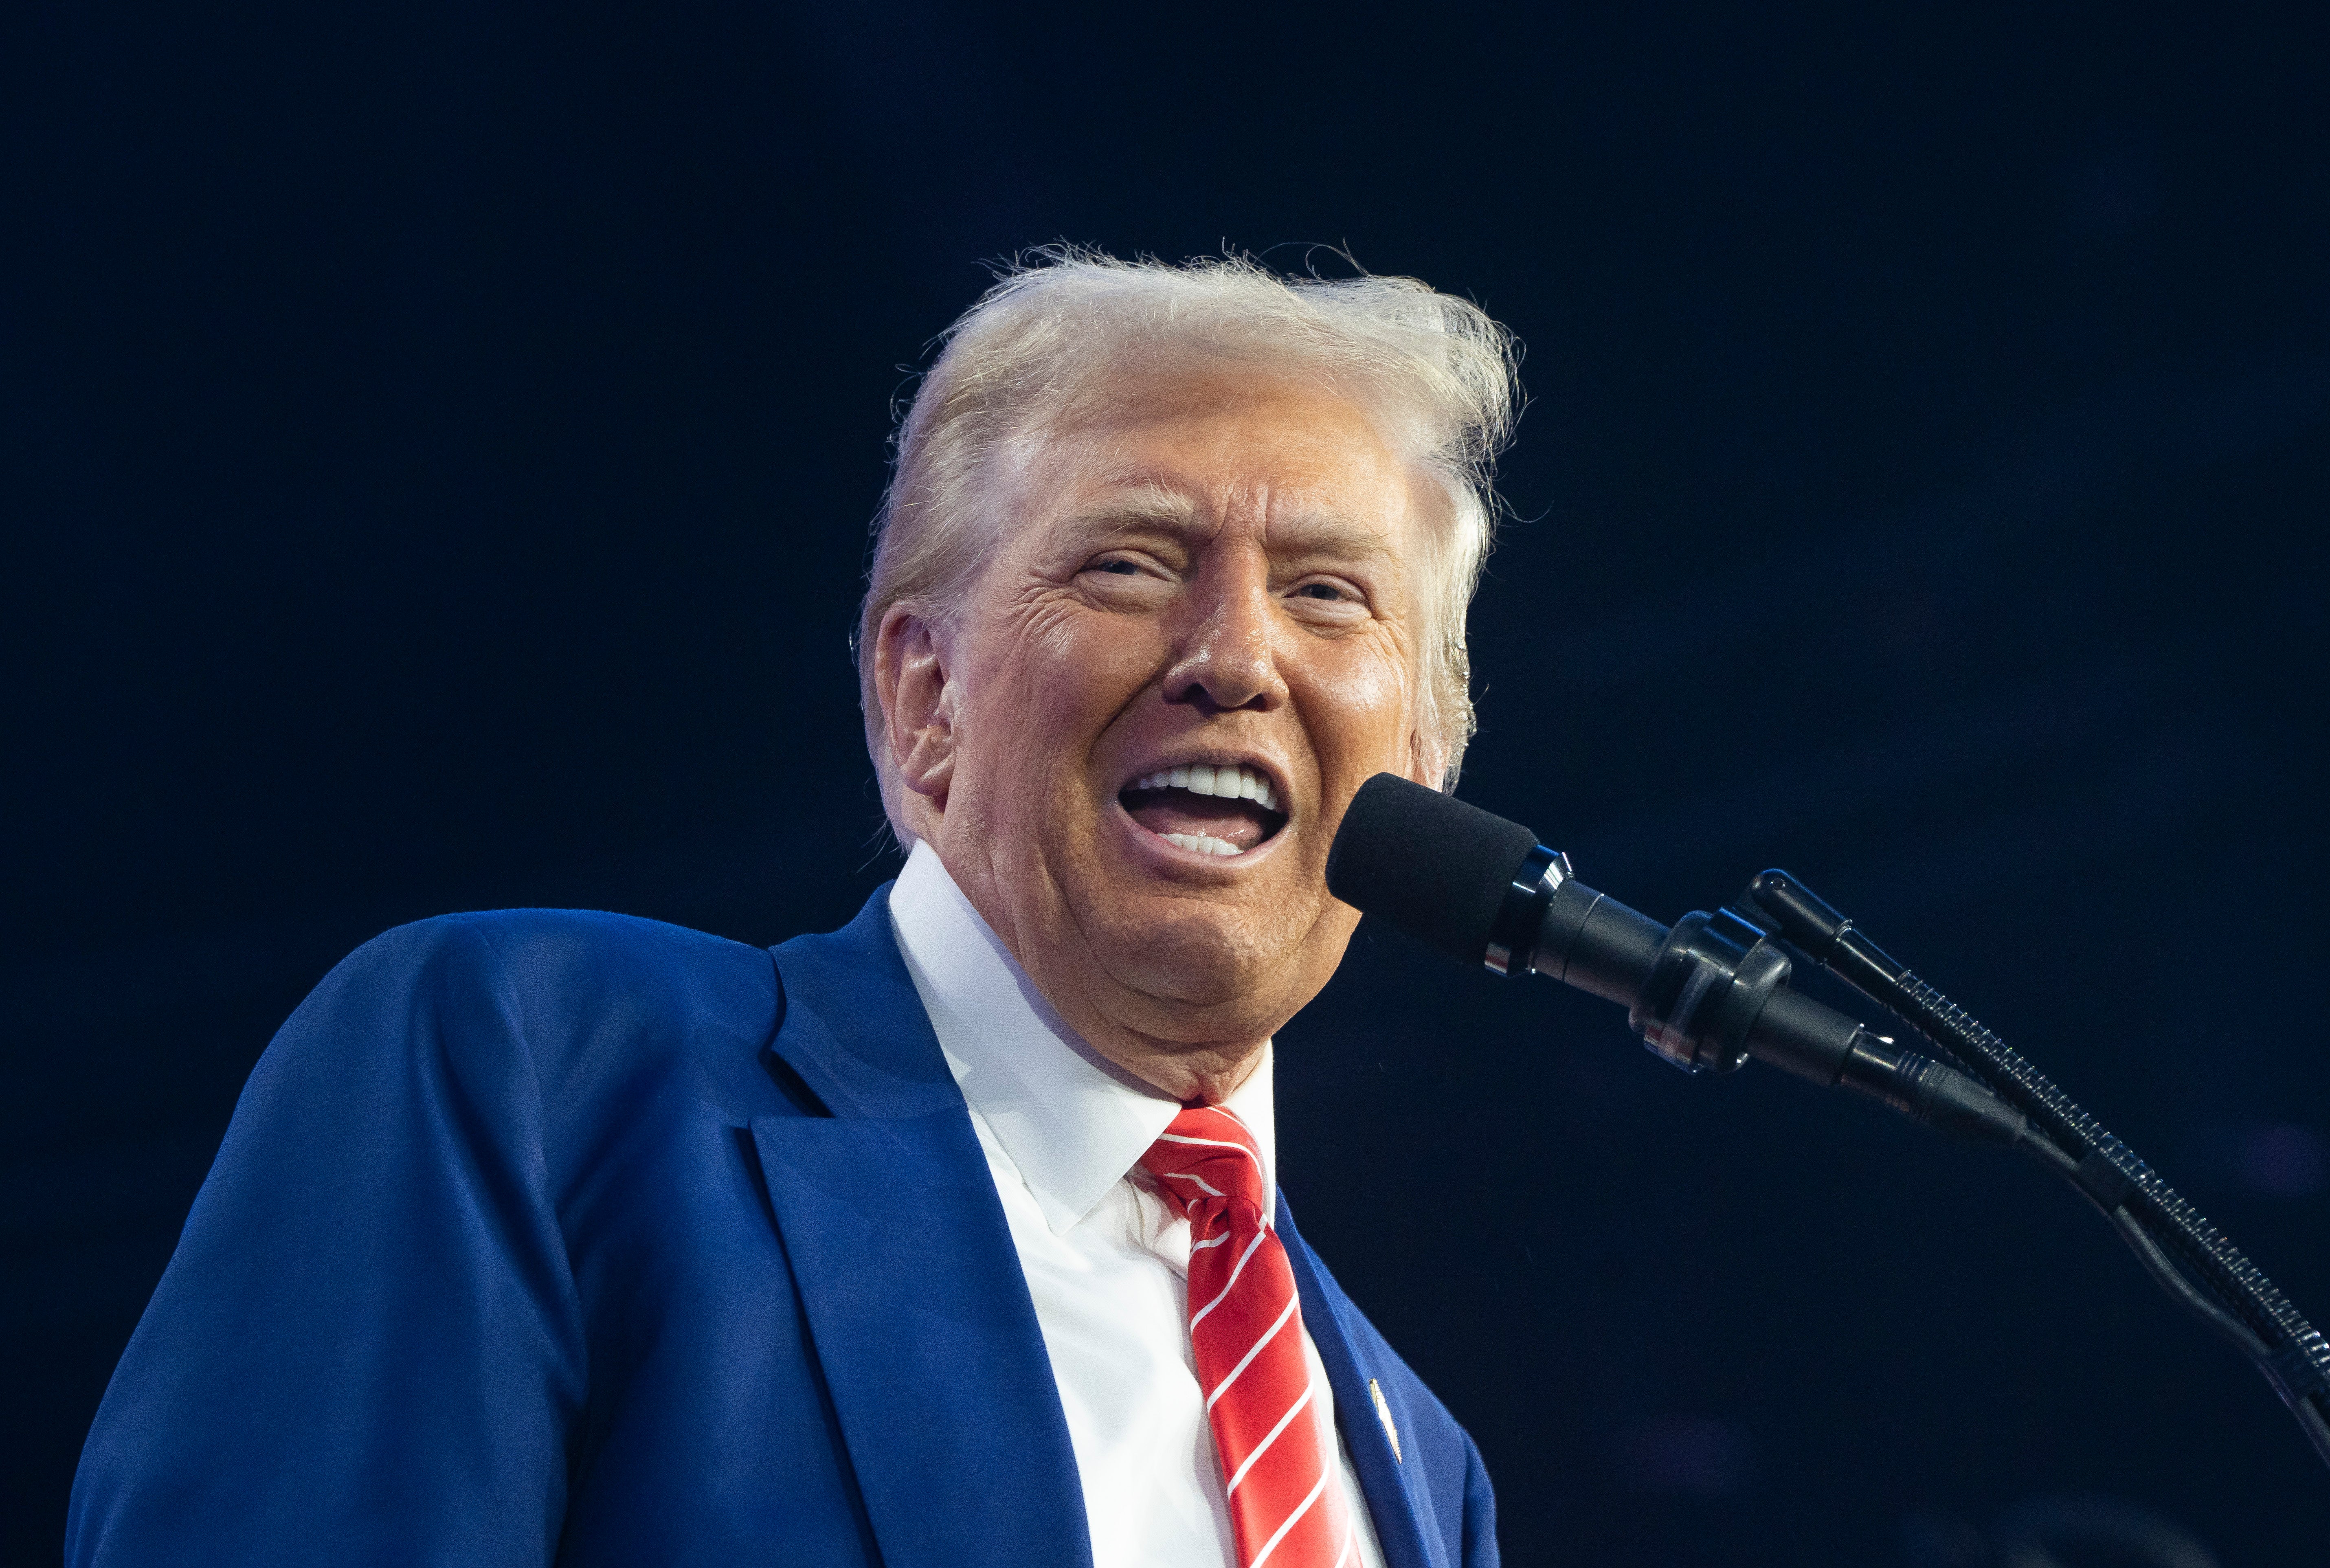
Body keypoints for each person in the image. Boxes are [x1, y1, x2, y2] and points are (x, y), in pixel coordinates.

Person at [67, 249, 1519, 1568]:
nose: (1236, 655)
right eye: (1130, 564)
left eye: (1331, 593)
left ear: (1420, 772)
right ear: (923, 696)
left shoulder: (1414, 1458)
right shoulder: (536, 1067)